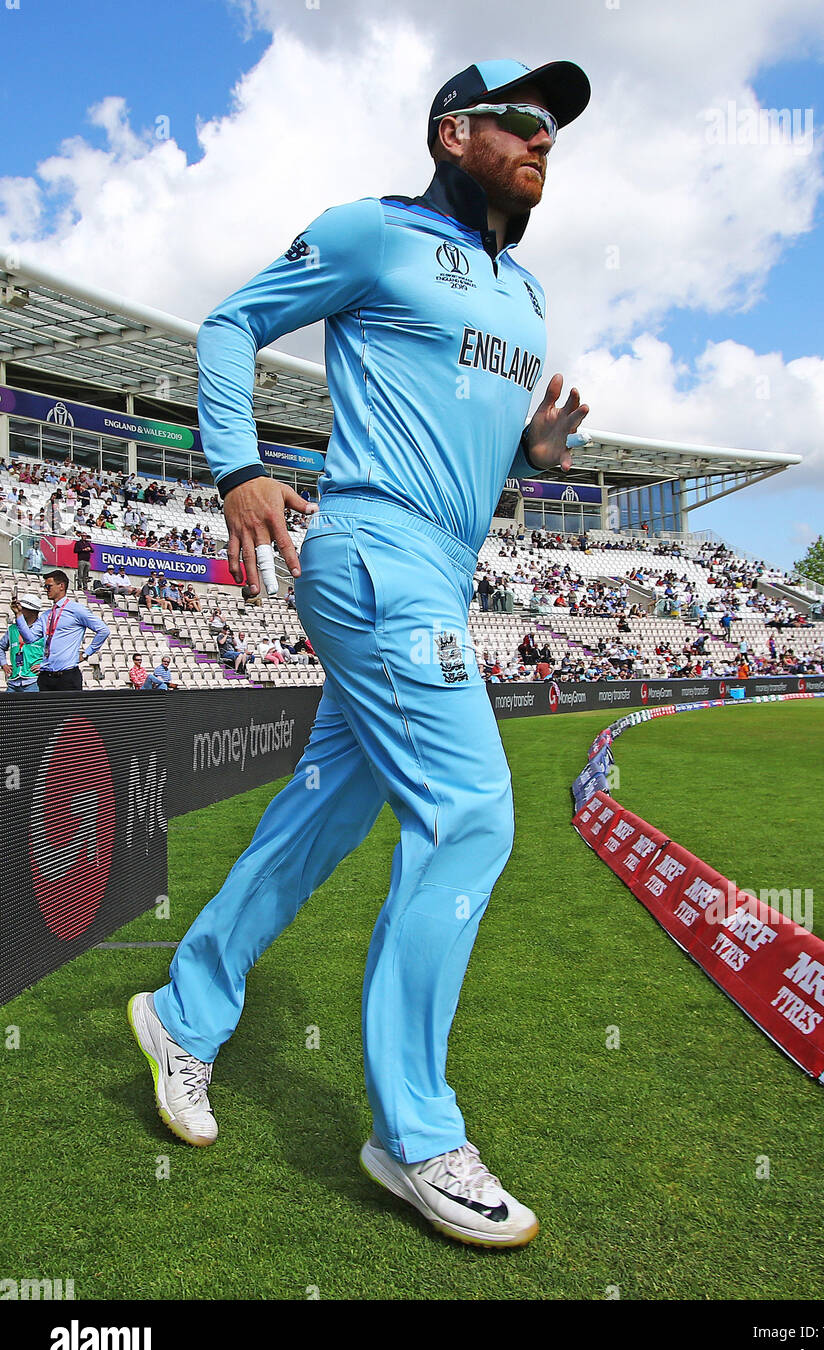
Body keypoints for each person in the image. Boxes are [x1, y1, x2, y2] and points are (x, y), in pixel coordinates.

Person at [127, 56, 590, 1250]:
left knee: (322, 814)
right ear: (452, 132)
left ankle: (184, 1014)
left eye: (555, 129)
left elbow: (463, 456)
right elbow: (230, 322)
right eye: (521, 120)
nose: (543, 138)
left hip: (439, 562)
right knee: (474, 813)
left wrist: (527, 456)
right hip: (374, 553)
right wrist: (237, 467)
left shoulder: (529, 294)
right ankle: (416, 1133)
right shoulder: (373, 234)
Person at [11, 569, 109, 690]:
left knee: (68, 709)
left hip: (67, 676)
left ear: (61, 586)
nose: (46, 589)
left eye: (49, 586)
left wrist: (86, 653)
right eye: (45, 586)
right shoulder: (46, 615)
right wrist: (19, 615)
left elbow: (103, 630)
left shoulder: (76, 610)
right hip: (46, 676)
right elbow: (29, 638)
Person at [1, 591, 44, 692]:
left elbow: (55, 652)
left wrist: (44, 666)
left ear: (33, 611)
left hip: (34, 681)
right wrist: (4, 664)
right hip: (13, 681)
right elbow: (1, 647)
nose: (19, 610)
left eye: (23, 608)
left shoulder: (43, 629)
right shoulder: (12, 629)